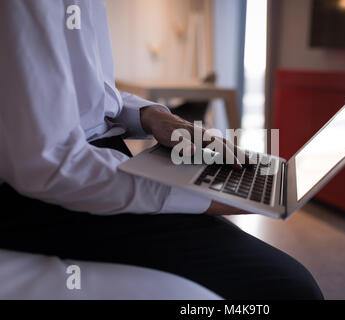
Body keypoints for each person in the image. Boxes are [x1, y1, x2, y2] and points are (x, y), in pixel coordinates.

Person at [0, 0, 323, 299]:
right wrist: (203, 196)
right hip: (52, 192)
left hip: (98, 160)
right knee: (292, 289)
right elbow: (51, 164)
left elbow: (91, 92)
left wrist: (152, 115)